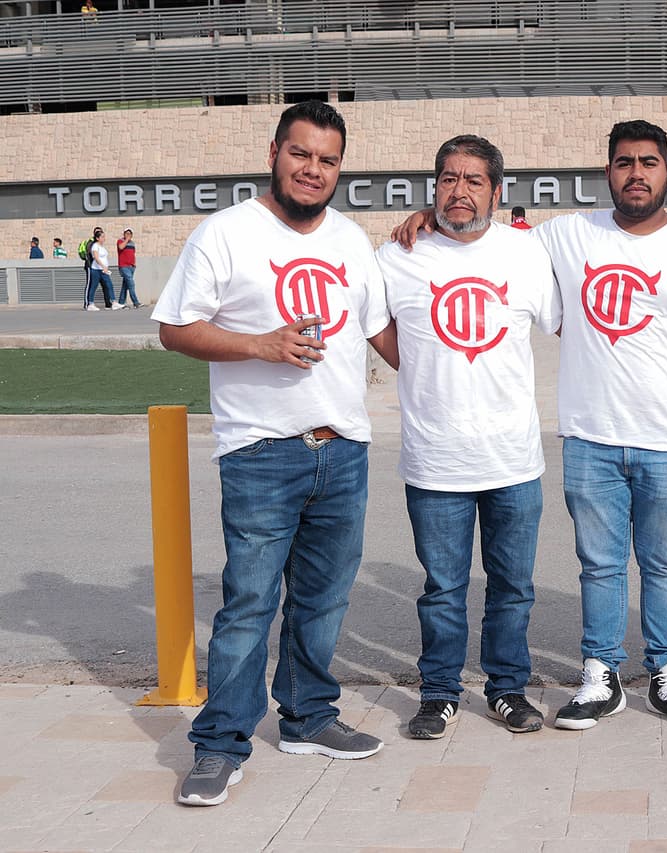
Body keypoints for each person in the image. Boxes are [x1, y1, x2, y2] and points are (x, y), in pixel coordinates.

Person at [392, 120, 667, 732]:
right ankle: (599, 674)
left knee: (664, 564)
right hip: (589, 436)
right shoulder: (564, 236)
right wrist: (431, 212)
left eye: (649, 162)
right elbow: (480, 227)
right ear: (607, 172)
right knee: (599, 565)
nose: (636, 172)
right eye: (624, 162)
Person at [153, 101, 396, 807]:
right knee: (249, 603)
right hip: (260, 449)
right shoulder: (226, 233)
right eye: (301, 154)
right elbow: (175, 327)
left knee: (322, 600)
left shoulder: (353, 240)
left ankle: (308, 716)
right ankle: (219, 744)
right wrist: (260, 343)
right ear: (274, 152)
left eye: (326, 160)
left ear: (339, 168)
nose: (312, 169)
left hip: (342, 447)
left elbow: (384, 333)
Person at [375, 135, 559, 740]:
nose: (460, 191)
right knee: (442, 589)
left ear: (497, 192)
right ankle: (439, 693)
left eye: (473, 180)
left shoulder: (528, 255)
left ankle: (507, 689)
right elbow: (376, 326)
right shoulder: (397, 257)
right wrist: (425, 364)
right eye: (448, 179)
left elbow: (566, 319)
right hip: (436, 461)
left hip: (512, 458)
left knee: (512, 588)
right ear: (433, 188)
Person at [87, 229, 122, 310]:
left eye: (104, 236)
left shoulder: (102, 247)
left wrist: (105, 267)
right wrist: (103, 266)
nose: (104, 238)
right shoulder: (95, 246)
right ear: (97, 238)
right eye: (102, 237)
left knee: (109, 285)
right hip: (96, 270)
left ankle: (114, 302)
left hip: (103, 270)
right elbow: (96, 257)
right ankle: (91, 304)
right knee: (94, 286)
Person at [115, 228, 141, 308]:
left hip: (131, 266)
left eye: (130, 234)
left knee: (125, 285)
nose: (128, 235)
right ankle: (136, 302)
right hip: (124, 266)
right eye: (126, 233)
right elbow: (121, 247)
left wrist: (134, 264)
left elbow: (133, 254)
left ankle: (121, 302)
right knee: (131, 284)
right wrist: (126, 240)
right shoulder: (120, 241)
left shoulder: (132, 243)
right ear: (124, 234)